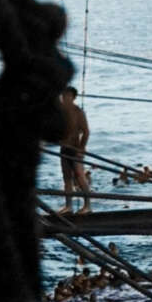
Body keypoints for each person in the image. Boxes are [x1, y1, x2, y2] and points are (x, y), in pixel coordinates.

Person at [57, 86, 92, 214]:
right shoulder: (60, 112)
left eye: (67, 96)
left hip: (75, 149)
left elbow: (86, 132)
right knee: (66, 178)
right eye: (63, 96)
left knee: (80, 177)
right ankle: (68, 206)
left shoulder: (78, 112)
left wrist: (81, 148)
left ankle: (87, 206)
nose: (64, 98)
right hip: (64, 149)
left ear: (73, 97)